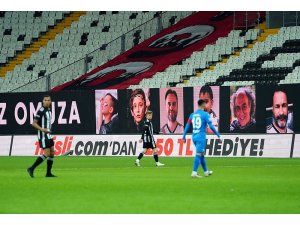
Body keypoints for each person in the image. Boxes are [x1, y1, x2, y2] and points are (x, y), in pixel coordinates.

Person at [182, 99, 221, 178]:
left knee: (201, 154)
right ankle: (194, 172)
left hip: (194, 137)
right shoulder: (205, 114)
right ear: (204, 105)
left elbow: (187, 125)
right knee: (199, 154)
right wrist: (218, 135)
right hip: (201, 137)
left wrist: (184, 136)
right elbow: (211, 126)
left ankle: (206, 172)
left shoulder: (192, 114)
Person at [27, 95, 56, 178]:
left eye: (48, 100)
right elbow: (34, 123)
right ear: (43, 101)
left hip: (48, 135)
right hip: (43, 135)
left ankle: (48, 173)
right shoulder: (41, 110)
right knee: (47, 153)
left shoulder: (49, 110)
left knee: (52, 153)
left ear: (50, 101)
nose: (47, 101)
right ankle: (31, 168)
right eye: (45, 100)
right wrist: (43, 130)